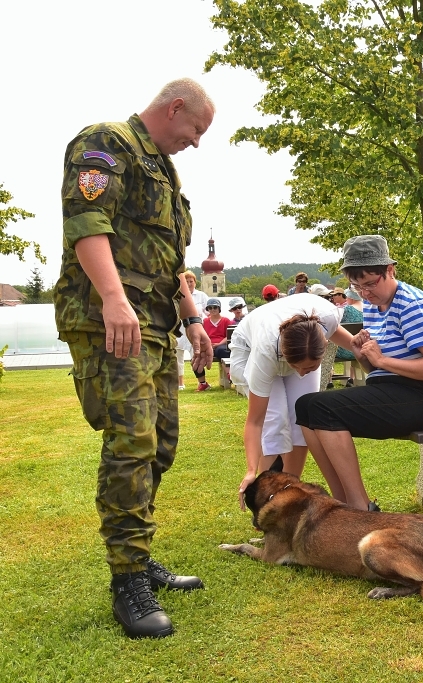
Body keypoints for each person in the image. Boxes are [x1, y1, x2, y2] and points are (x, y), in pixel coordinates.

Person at [53, 78, 215, 639]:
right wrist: (113, 300)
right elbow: (87, 225)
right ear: (175, 109)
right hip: (111, 323)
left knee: (161, 442)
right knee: (130, 442)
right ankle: (127, 580)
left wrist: (194, 320)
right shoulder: (106, 144)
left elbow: (173, 261)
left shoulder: (165, 172)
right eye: (196, 129)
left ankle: (140, 555)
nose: (195, 142)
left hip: (155, 323)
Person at [294, 236, 423, 510]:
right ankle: (342, 504)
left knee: (324, 408)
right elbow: (378, 371)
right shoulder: (374, 303)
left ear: (390, 270)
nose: (365, 293)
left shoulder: (411, 305)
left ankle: (359, 509)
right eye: (357, 286)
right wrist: (366, 358)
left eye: (371, 283)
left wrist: (382, 360)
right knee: (305, 407)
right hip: (400, 391)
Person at [230, 293, 348, 505]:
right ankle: (266, 500)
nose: (303, 373)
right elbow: (256, 422)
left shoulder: (328, 316)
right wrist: (250, 470)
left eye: (310, 367)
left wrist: (357, 346)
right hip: (250, 348)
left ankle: (289, 494)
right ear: (287, 357)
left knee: (301, 418)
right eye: (297, 368)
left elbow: (333, 331)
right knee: (274, 421)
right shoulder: (264, 354)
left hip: (300, 344)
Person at [175, 270, 208, 389]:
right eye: (186, 281)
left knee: (196, 355)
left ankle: (202, 382)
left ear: (195, 282)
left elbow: (209, 313)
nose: (189, 284)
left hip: (195, 330)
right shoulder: (177, 295)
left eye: (191, 281)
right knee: (178, 358)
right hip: (179, 330)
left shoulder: (202, 296)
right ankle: (180, 383)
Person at [192, 298, 231, 391]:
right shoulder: (204, 321)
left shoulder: (225, 320)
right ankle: (203, 383)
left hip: (221, 344)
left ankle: (230, 375)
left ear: (219, 308)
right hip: (207, 345)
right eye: (210, 308)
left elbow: (228, 336)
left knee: (222, 350)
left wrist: (218, 344)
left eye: (215, 307)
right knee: (196, 358)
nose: (212, 310)